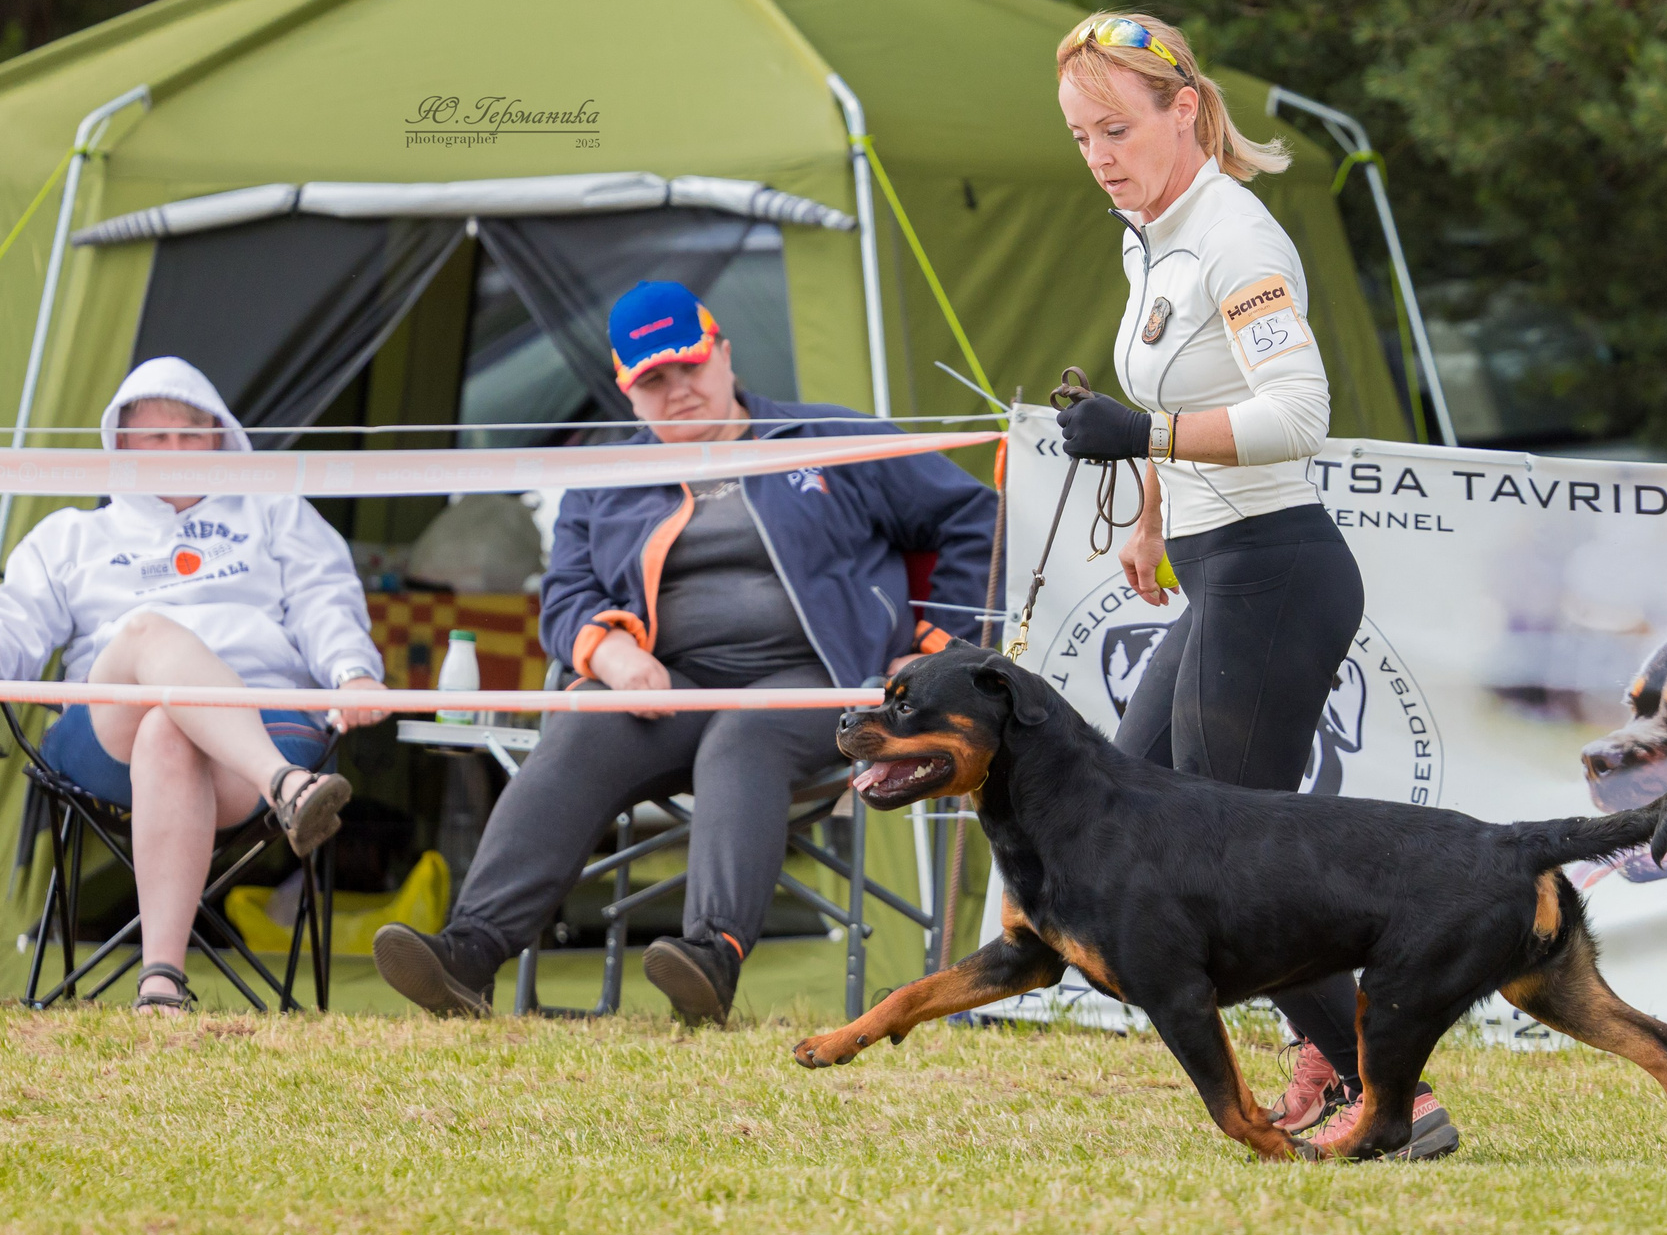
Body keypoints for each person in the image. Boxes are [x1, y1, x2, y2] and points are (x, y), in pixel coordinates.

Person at [1048, 11, 1456, 1160]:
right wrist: (1149, 511)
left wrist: (1148, 432)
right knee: (1131, 799)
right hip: (1223, 567)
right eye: (1081, 136)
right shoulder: (1150, 229)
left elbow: (1298, 417)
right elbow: (1181, 404)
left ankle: (1395, 1101)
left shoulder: (1234, 236)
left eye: (1117, 128)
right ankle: (1335, 1062)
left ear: (1187, 109)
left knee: (1234, 871)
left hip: (1279, 571)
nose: (1099, 156)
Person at [373, 283, 996, 1025]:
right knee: (583, 722)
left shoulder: (829, 438)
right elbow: (564, 593)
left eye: (690, 367)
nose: (677, 392)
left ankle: (710, 957)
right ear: (626, 393)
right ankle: (468, 953)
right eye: (652, 381)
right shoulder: (604, 479)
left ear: (726, 354)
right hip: (669, 689)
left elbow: (975, 517)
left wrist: (934, 651)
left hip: (824, 685)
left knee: (746, 733)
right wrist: (606, 655)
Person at [2, 358, 388, 1011]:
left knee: (168, 725)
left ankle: (160, 983)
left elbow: (327, 601)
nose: (176, 451)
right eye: (156, 438)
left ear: (221, 437)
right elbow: (12, 625)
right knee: (148, 634)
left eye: (191, 434)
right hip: (110, 737)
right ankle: (290, 791)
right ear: (121, 446)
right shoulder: (71, 535)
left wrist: (353, 673)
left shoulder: (276, 513)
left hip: (259, 719)